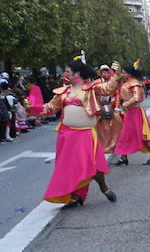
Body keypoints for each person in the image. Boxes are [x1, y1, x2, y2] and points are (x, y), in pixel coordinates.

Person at [40, 61, 120, 206]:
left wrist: (116, 76)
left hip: (85, 134)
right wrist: (32, 108)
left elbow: (108, 88)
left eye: (67, 71)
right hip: (66, 134)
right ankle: (76, 196)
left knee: (93, 165)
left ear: (77, 74)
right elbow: (50, 108)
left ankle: (104, 188)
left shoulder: (92, 88)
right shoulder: (63, 91)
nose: (65, 74)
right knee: (70, 168)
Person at [111, 66, 150, 166]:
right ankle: (124, 157)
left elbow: (137, 98)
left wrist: (125, 104)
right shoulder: (128, 82)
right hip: (130, 112)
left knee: (142, 135)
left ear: (129, 73)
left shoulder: (135, 83)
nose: (122, 74)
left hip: (135, 113)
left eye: (124, 73)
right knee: (125, 135)